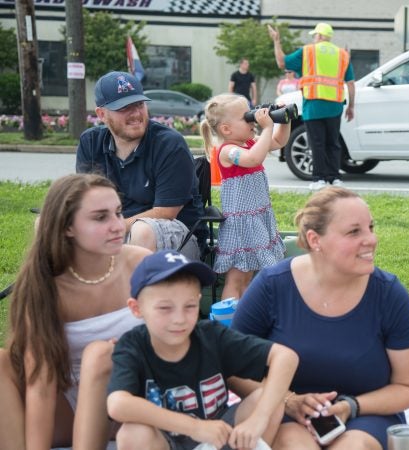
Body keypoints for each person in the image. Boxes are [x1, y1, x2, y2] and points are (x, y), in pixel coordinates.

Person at [231, 187, 409, 449]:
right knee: (293, 444)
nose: (371, 239)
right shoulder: (273, 286)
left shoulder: (387, 293)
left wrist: (351, 406)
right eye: (354, 232)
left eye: (370, 227)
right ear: (315, 240)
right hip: (287, 411)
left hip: (366, 413)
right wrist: (289, 400)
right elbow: (233, 364)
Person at [0, 173, 151, 449]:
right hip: (68, 398)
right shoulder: (45, 284)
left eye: (118, 213)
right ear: (67, 227)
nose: (118, 225)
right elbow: (41, 382)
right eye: (100, 217)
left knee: (102, 355)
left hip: (132, 394)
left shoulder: (141, 263)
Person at [107, 250, 299, 450]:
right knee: (132, 433)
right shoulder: (132, 345)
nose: (179, 318)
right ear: (137, 308)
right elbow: (117, 404)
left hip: (220, 436)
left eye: (189, 306)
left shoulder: (211, 335)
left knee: (268, 398)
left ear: (199, 301)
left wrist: (258, 420)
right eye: (165, 308)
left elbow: (286, 357)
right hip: (166, 439)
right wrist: (194, 427)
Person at [76, 71, 205, 261]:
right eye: (124, 108)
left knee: (142, 230)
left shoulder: (169, 144)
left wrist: (108, 229)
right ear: (102, 114)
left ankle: (129, 290)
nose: (136, 114)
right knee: (47, 224)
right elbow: (88, 200)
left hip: (178, 237)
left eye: (139, 104)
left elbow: (165, 213)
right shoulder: (91, 142)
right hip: (115, 230)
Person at [199, 93, 289, 300]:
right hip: (240, 224)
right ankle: (228, 320)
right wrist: (266, 127)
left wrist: (283, 121)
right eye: (246, 117)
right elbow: (254, 158)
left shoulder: (249, 143)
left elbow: (278, 141)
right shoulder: (227, 150)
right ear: (226, 129)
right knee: (237, 278)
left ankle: (244, 316)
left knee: (248, 276)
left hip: (256, 218)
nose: (253, 120)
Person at [268, 22, 356, 191]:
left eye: (315, 35)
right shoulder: (342, 55)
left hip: (314, 105)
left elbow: (281, 63)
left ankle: (319, 179)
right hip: (335, 106)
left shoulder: (308, 51)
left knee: (317, 143)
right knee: (333, 143)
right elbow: (350, 84)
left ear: (320, 36)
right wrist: (351, 106)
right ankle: (335, 178)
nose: (314, 38)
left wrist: (276, 40)